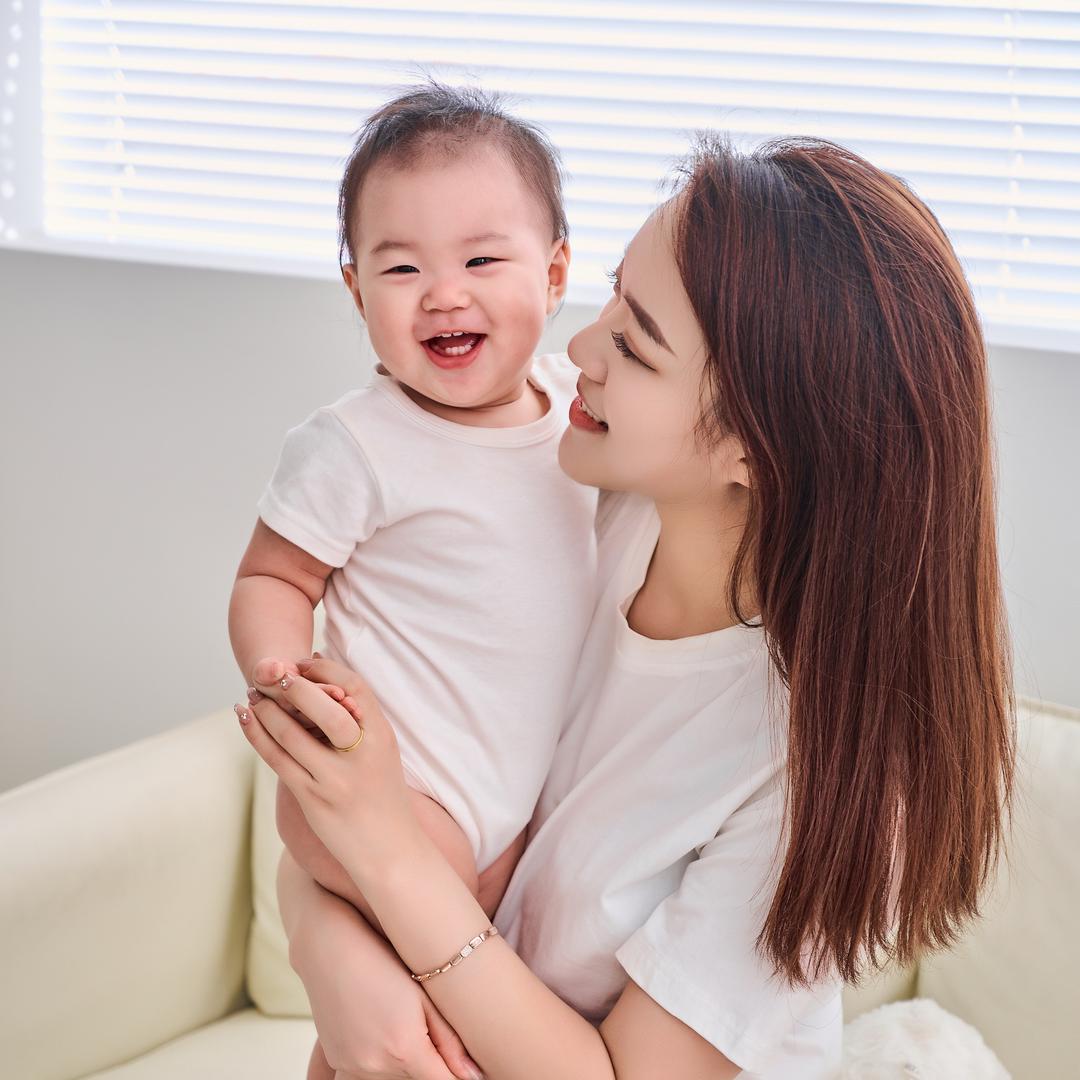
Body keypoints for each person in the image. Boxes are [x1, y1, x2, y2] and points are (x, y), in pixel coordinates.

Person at [239, 131, 1017, 1080]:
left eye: (636, 346)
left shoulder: (813, 765)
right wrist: (337, 956)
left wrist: (383, 863)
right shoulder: (586, 513)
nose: (576, 348)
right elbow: (358, 824)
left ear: (754, 451)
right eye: (612, 295)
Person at [228, 81, 598, 1075]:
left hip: (506, 805)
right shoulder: (359, 445)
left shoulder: (577, 409)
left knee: (439, 1017)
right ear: (356, 291)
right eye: (402, 267)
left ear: (556, 273)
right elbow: (273, 574)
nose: (445, 292)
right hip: (384, 781)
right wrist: (285, 674)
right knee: (420, 1008)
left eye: (483, 258)